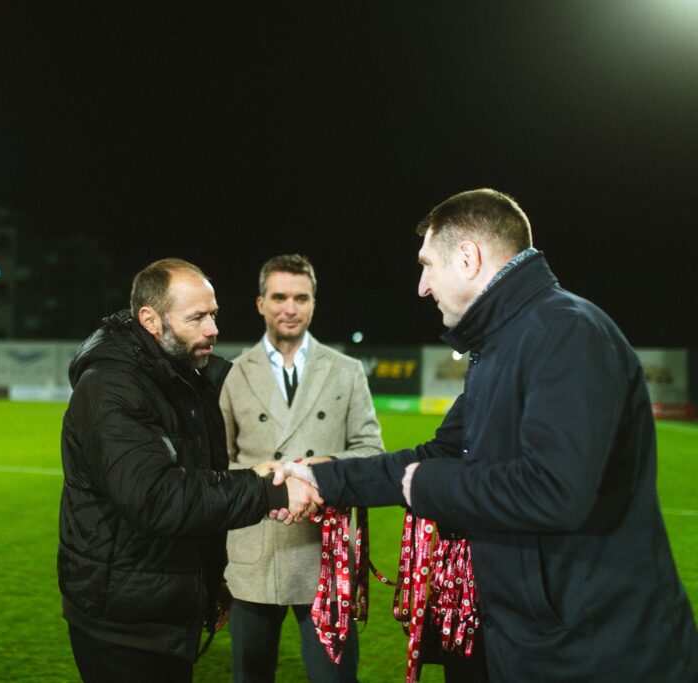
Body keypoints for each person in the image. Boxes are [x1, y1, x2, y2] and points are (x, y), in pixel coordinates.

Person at [276, 189, 698, 682]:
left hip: (598, 650)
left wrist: (428, 485)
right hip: (538, 639)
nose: (422, 287)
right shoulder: (502, 343)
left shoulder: (566, 332)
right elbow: (438, 454)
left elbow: (554, 490)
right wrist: (324, 478)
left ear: (468, 258)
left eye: (427, 266)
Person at [58, 257, 318, 683]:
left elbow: (203, 485)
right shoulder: (109, 387)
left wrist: (210, 582)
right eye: (196, 318)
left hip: (169, 611)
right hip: (120, 622)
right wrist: (268, 490)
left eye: (213, 314)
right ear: (151, 320)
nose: (212, 329)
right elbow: (157, 498)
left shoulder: (187, 377)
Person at [219, 254, 383, 682]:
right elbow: (215, 467)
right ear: (261, 303)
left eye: (300, 298)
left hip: (324, 554)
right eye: (279, 297)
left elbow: (371, 451)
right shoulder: (231, 374)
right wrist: (260, 477)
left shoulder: (347, 371)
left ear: (314, 303)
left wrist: (323, 467)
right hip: (254, 553)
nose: (289, 308)